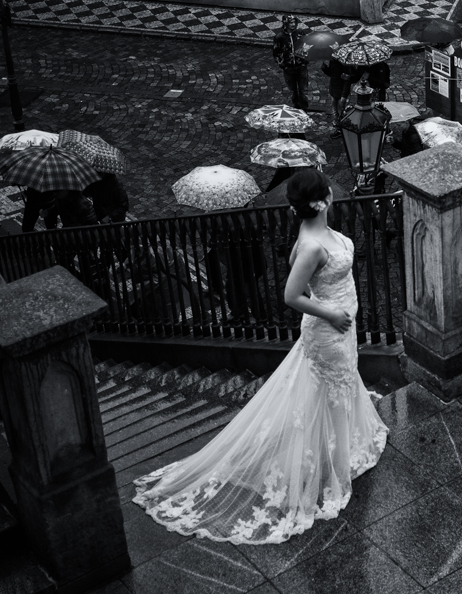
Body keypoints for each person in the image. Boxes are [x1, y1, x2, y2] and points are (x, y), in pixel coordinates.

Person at [134, 168, 388, 543]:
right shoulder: (312, 245)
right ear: (325, 200)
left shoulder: (316, 233)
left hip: (341, 329)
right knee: (335, 394)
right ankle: (337, 475)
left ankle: (333, 450)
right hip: (329, 331)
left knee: (339, 387)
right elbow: (290, 296)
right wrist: (332, 312)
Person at [271, 15, 309, 110]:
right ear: (285, 24)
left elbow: (307, 46)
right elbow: (276, 52)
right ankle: (296, 107)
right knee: (293, 91)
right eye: (290, 23)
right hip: (289, 68)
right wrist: (283, 65)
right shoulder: (279, 37)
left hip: (301, 66)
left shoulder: (300, 33)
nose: (293, 25)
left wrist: (305, 60)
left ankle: (304, 108)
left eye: (294, 22)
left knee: (303, 90)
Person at [321, 58, 362, 133]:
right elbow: (331, 74)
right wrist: (325, 68)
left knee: (341, 111)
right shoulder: (333, 60)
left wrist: (344, 95)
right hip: (333, 90)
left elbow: (347, 80)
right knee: (335, 110)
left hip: (341, 92)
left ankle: (341, 128)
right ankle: (337, 124)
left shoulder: (345, 64)